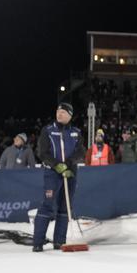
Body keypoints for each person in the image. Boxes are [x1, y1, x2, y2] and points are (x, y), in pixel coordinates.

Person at [34, 103, 85, 251]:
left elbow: (81, 152)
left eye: (63, 112)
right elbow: (42, 152)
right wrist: (56, 165)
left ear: (70, 115)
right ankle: (38, 242)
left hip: (70, 173)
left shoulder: (76, 132)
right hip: (52, 173)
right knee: (47, 205)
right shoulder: (48, 131)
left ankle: (59, 241)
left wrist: (68, 164)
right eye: (58, 111)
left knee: (65, 206)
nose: (59, 114)